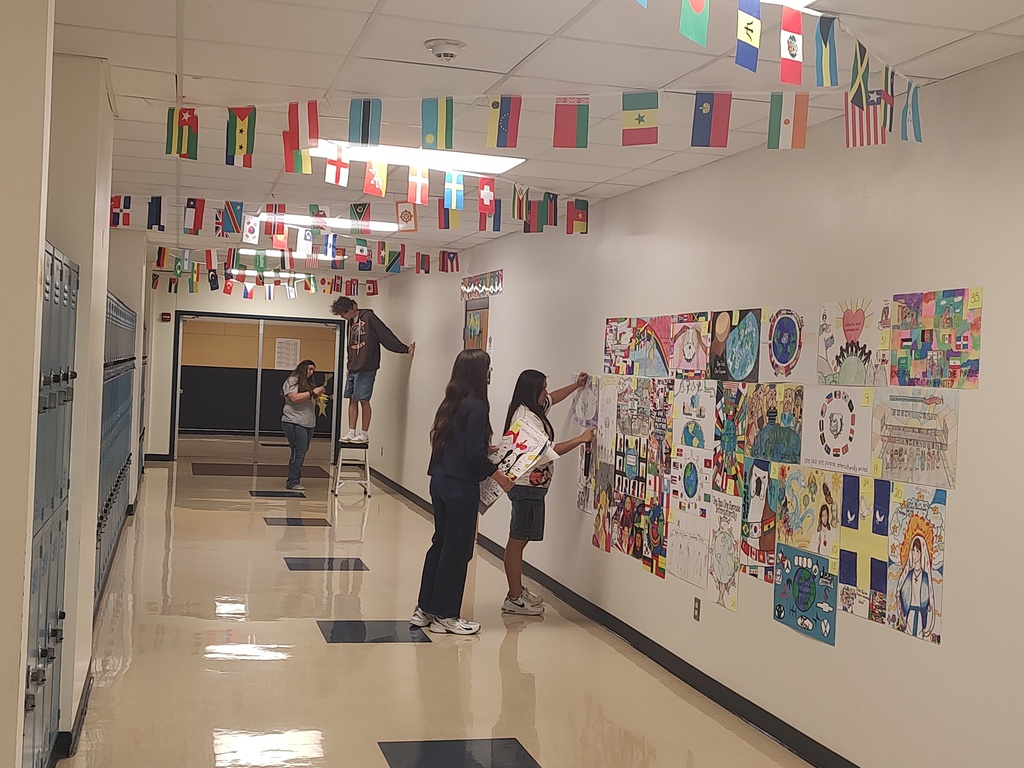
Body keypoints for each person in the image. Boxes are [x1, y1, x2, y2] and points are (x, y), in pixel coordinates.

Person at [412, 349, 513, 635]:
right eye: (488, 369)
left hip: (441, 481)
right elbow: (473, 457)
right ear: (480, 373)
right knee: (458, 551)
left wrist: (485, 448)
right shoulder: (478, 406)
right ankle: (446, 615)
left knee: (441, 544)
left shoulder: (451, 402)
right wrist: (500, 477)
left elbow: (460, 444)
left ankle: (425, 609)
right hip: (460, 487)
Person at [501, 371, 593, 616]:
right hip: (525, 488)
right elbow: (547, 452)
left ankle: (517, 591)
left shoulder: (533, 408)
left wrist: (576, 385)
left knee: (521, 539)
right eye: (542, 389)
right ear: (531, 391)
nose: (545, 393)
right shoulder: (525, 418)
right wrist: (580, 439)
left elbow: (553, 397)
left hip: (533, 488)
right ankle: (513, 597)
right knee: (517, 541)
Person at [330, 296, 415, 442]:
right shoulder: (350, 323)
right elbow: (350, 346)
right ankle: (351, 431)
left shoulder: (368, 317)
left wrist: (404, 349)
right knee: (352, 398)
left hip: (366, 366)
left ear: (351, 309)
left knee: (363, 399)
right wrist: (349, 366)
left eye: (344, 313)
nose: (343, 317)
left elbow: (384, 334)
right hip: (353, 367)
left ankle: (364, 433)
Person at [281, 359, 326, 491]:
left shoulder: (309, 383)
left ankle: (294, 478)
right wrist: (312, 392)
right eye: (309, 369)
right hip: (294, 421)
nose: (311, 372)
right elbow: (294, 398)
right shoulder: (292, 381)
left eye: (313, 370)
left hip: (308, 422)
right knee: (298, 452)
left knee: (302, 451)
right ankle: (293, 481)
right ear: (302, 368)